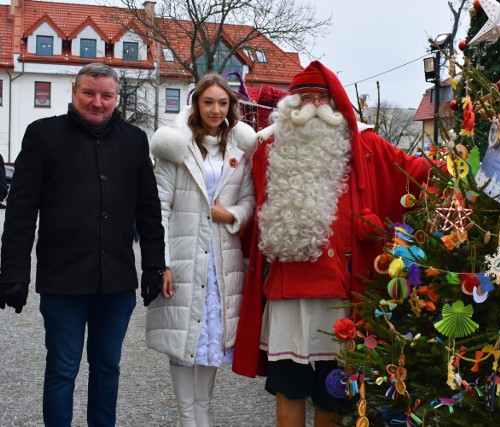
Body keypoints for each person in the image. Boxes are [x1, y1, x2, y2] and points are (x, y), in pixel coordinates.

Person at [232, 61, 435, 426]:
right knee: (289, 388)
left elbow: (416, 175)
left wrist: (472, 165)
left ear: (335, 105)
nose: (311, 107)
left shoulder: (366, 147)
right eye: (303, 99)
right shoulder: (269, 152)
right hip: (285, 296)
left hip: (340, 296)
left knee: (333, 389)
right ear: (289, 107)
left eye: (319, 99)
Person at [0, 62, 166, 426]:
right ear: (73, 93)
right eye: (89, 93)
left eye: (106, 95)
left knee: (108, 368)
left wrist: (154, 264)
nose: (97, 102)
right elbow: (21, 210)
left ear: (116, 97)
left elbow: (149, 210)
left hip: (117, 282)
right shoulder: (43, 135)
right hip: (63, 282)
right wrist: (13, 272)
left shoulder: (134, 140)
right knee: (62, 369)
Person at [145, 73, 256, 427]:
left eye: (223, 102)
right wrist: (160, 262)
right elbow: (158, 207)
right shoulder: (176, 149)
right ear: (196, 104)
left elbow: (250, 199)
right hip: (184, 256)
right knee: (183, 340)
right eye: (208, 101)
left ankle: (203, 417)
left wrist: (232, 214)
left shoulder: (238, 151)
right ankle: (187, 419)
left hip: (223, 260)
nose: (215, 109)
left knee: (211, 341)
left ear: (231, 107)